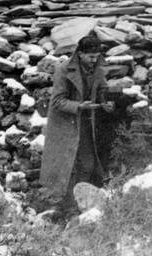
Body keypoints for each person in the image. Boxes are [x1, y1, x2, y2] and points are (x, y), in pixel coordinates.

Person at [39, 33, 132, 210]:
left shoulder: (97, 68)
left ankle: (79, 201)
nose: (94, 60)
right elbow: (57, 101)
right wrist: (80, 106)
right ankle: (59, 204)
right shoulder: (63, 69)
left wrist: (106, 103)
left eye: (97, 57)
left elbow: (103, 88)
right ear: (80, 54)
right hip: (66, 125)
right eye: (90, 56)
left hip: (86, 124)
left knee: (88, 164)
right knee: (66, 166)